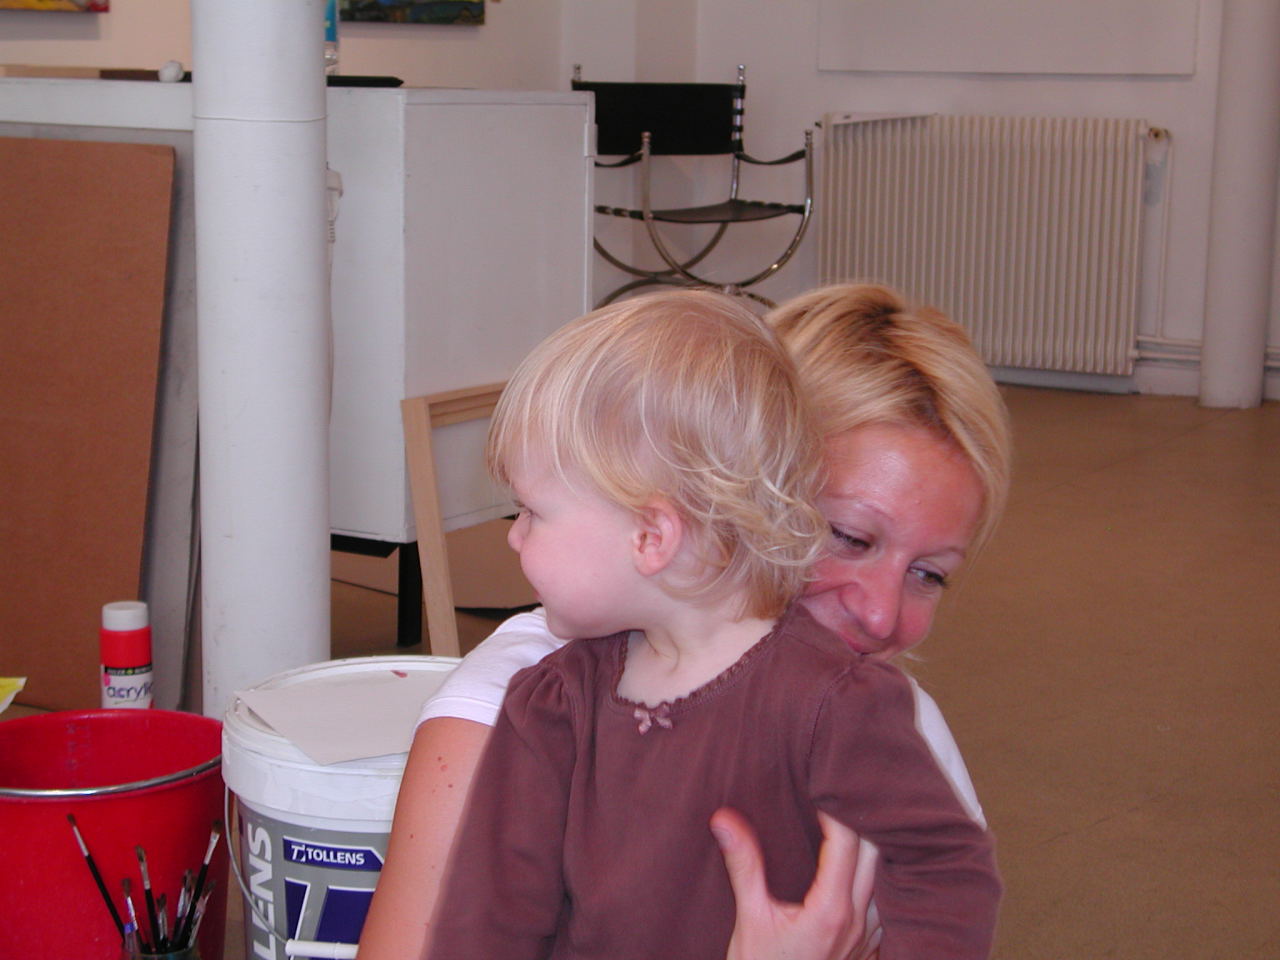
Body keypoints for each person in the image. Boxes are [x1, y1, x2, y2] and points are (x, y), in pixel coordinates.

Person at [357, 283, 1012, 960]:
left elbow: (947, 887)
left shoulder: (876, 712)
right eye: (847, 536)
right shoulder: (529, 703)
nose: (880, 615)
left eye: (929, 573)